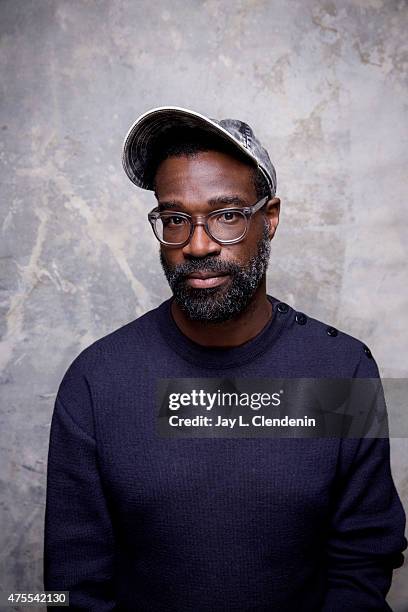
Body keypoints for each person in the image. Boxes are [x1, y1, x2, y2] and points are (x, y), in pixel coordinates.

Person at [43, 106, 407, 611]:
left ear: (270, 218)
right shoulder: (98, 381)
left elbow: (364, 557)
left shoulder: (341, 370)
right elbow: (71, 584)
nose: (196, 245)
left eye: (227, 215)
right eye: (175, 219)